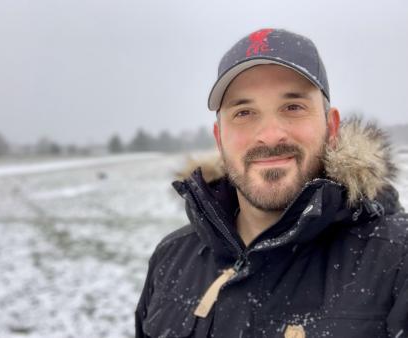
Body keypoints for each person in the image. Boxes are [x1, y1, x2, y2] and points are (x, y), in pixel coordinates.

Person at [135, 28, 408, 337]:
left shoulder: (397, 261)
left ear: (331, 127)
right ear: (219, 138)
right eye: (244, 112)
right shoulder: (170, 259)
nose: (269, 134)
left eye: (293, 107)